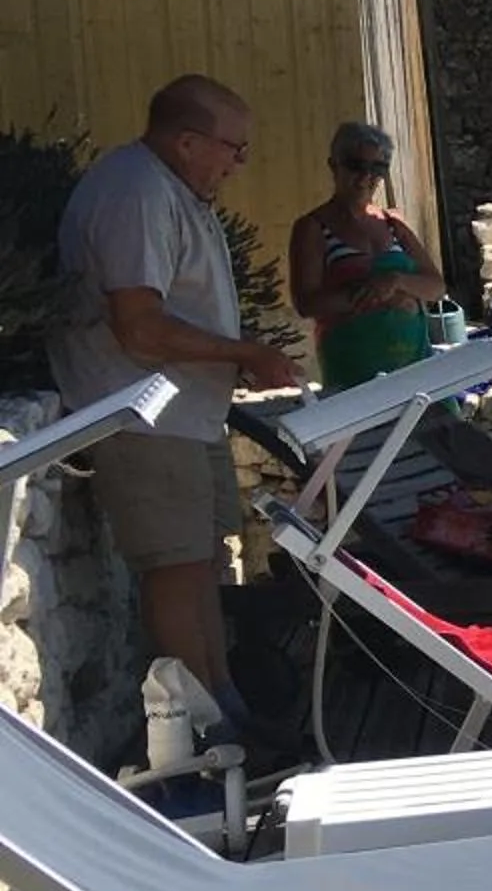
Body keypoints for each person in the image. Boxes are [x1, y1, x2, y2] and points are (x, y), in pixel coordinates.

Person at [50, 76, 306, 733]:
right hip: (141, 414)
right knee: (176, 567)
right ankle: (203, 727)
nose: (239, 163)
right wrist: (244, 353)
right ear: (187, 140)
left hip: (182, 416)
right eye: (232, 147)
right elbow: (139, 326)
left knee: (201, 564)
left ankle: (227, 708)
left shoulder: (176, 190)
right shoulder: (136, 192)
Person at [287, 119, 446, 391]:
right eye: (355, 165)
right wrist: (376, 295)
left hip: (416, 370)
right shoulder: (313, 228)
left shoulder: (393, 222)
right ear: (333, 165)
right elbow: (308, 303)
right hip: (354, 369)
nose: (365, 177)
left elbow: (436, 287)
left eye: (377, 168)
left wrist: (395, 281)